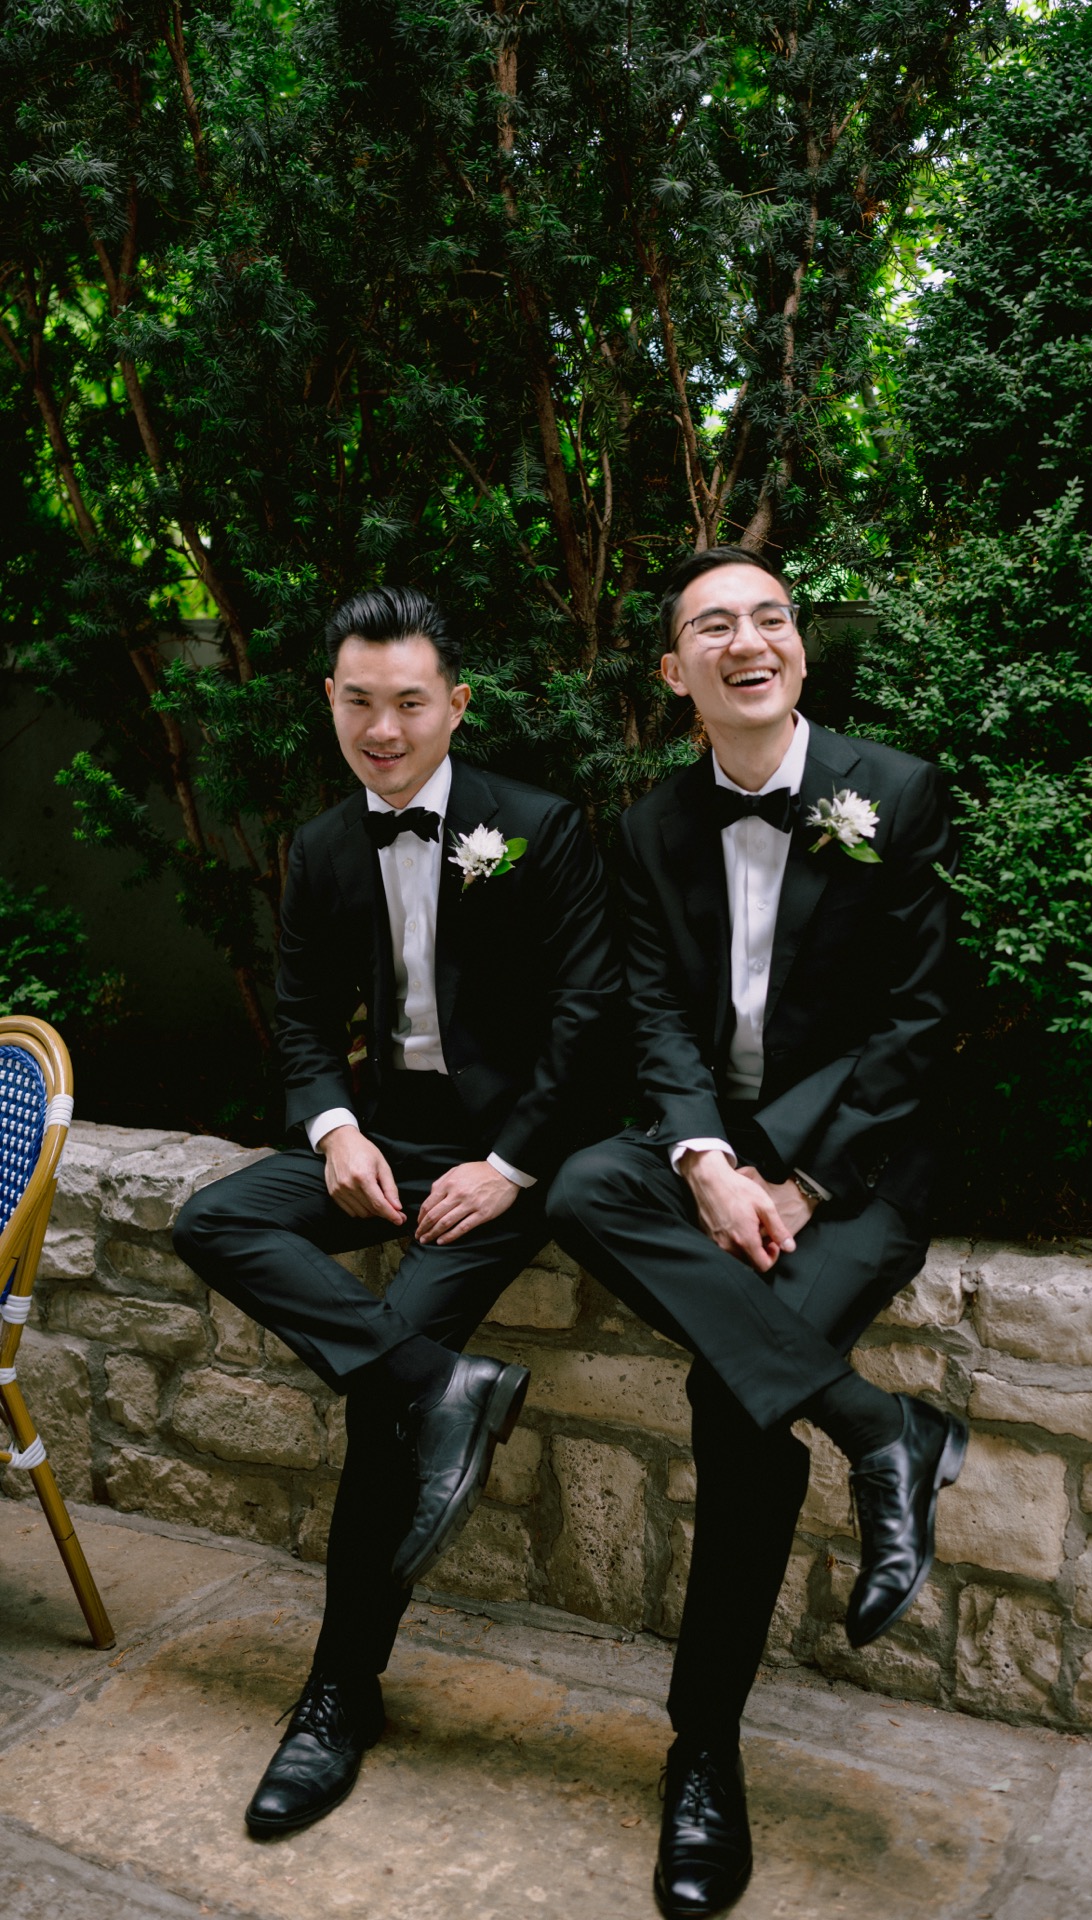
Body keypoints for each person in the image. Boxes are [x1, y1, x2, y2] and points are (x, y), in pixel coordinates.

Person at [547, 547, 967, 1920]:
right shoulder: (647, 828)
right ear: (676, 672)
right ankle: (876, 1427)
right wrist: (707, 1160)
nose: (750, 640)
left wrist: (796, 1179)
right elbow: (656, 1018)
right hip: (715, 1150)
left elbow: (916, 1020)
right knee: (583, 1187)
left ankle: (702, 1754)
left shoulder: (891, 791)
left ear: (796, 644)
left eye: (770, 617)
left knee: (735, 1405)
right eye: (714, 624)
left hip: (860, 1169)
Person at [174, 584, 619, 1840]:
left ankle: (338, 1694)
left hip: (500, 1162)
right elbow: (304, 1022)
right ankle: (439, 1383)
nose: (382, 728)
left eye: (409, 703)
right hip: (381, 1144)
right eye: (359, 702)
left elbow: (589, 1019)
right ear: (330, 701)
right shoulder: (321, 848)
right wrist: (334, 1131)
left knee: (378, 1413)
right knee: (211, 1221)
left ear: (454, 705)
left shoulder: (538, 827)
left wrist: (510, 1167)